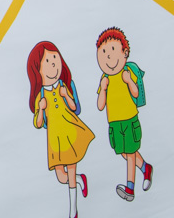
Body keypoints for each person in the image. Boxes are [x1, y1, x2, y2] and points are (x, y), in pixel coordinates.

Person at [27, 40, 93, 218]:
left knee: (70, 174)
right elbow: (39, 123)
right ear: (37, 70)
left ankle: (73, 211)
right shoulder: (41, 95)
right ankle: (80, 179)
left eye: (55, 58)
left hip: (70, 132)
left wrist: (65, 95)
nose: (53, 64)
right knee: (61, 176)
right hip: (55, 139)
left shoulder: (63, 87)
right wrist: (40, 108)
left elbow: (74, 108)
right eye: (47, 61)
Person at [95, 27, 152, 203]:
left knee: (130, 152)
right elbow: (100, 105)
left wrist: (128, 81)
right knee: (126, 153)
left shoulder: (126, 73)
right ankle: (145, 168)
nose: (108, 57)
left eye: (112, 51)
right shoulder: (105, 78)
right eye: (103, 53)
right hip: (114, 123)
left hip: (129, 119)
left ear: (124, 52)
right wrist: (103, 88)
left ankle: (130, 188)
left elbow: (135, 93)